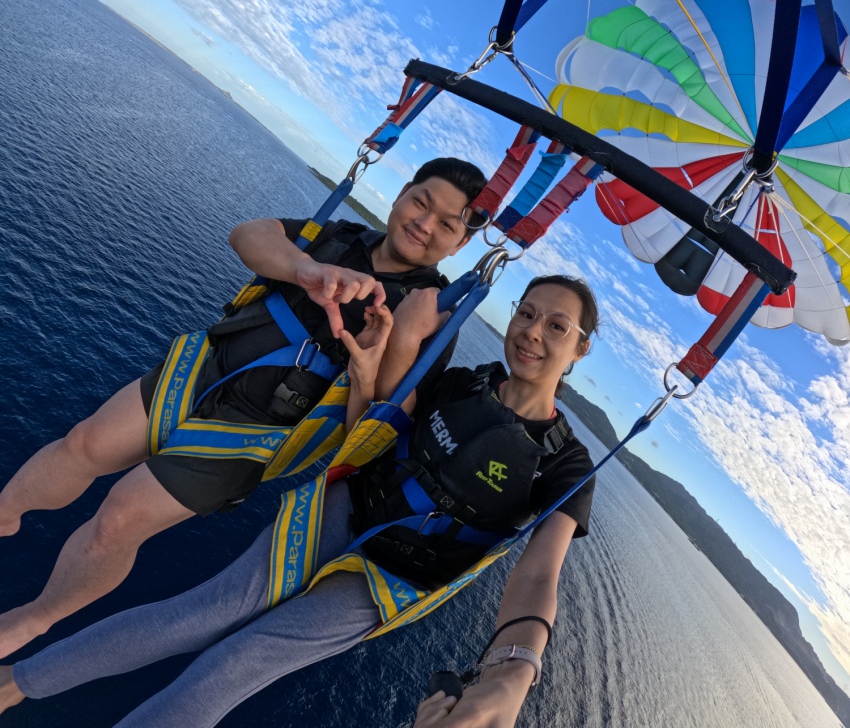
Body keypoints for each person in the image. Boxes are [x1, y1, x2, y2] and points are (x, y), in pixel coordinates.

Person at [0, 273, 599, 727]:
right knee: (204, 612)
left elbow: (538, 571)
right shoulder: (457, 384)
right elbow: (372, 433)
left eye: (557, 326)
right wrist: (372, 374)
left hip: (394, 578)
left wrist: (515, 671)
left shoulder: (566, 465)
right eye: (527, 313)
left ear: (581, 349)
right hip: (342, 511)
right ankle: (18, 682)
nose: (533, 333)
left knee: (243, 661)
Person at [0, 157, 486, 659]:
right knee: (83, 444)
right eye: (420, 201)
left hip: (258, 433)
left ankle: (33, 620)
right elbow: (248, 235)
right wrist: (307, 268)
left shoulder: (431, 320)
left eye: (446, 224)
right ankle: (5, 513)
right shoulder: (340, 237)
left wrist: (384, 353)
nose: (424, 223)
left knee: (121, 517)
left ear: (461, 243)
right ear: (403, 192)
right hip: (204, 368)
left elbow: (366, 435)